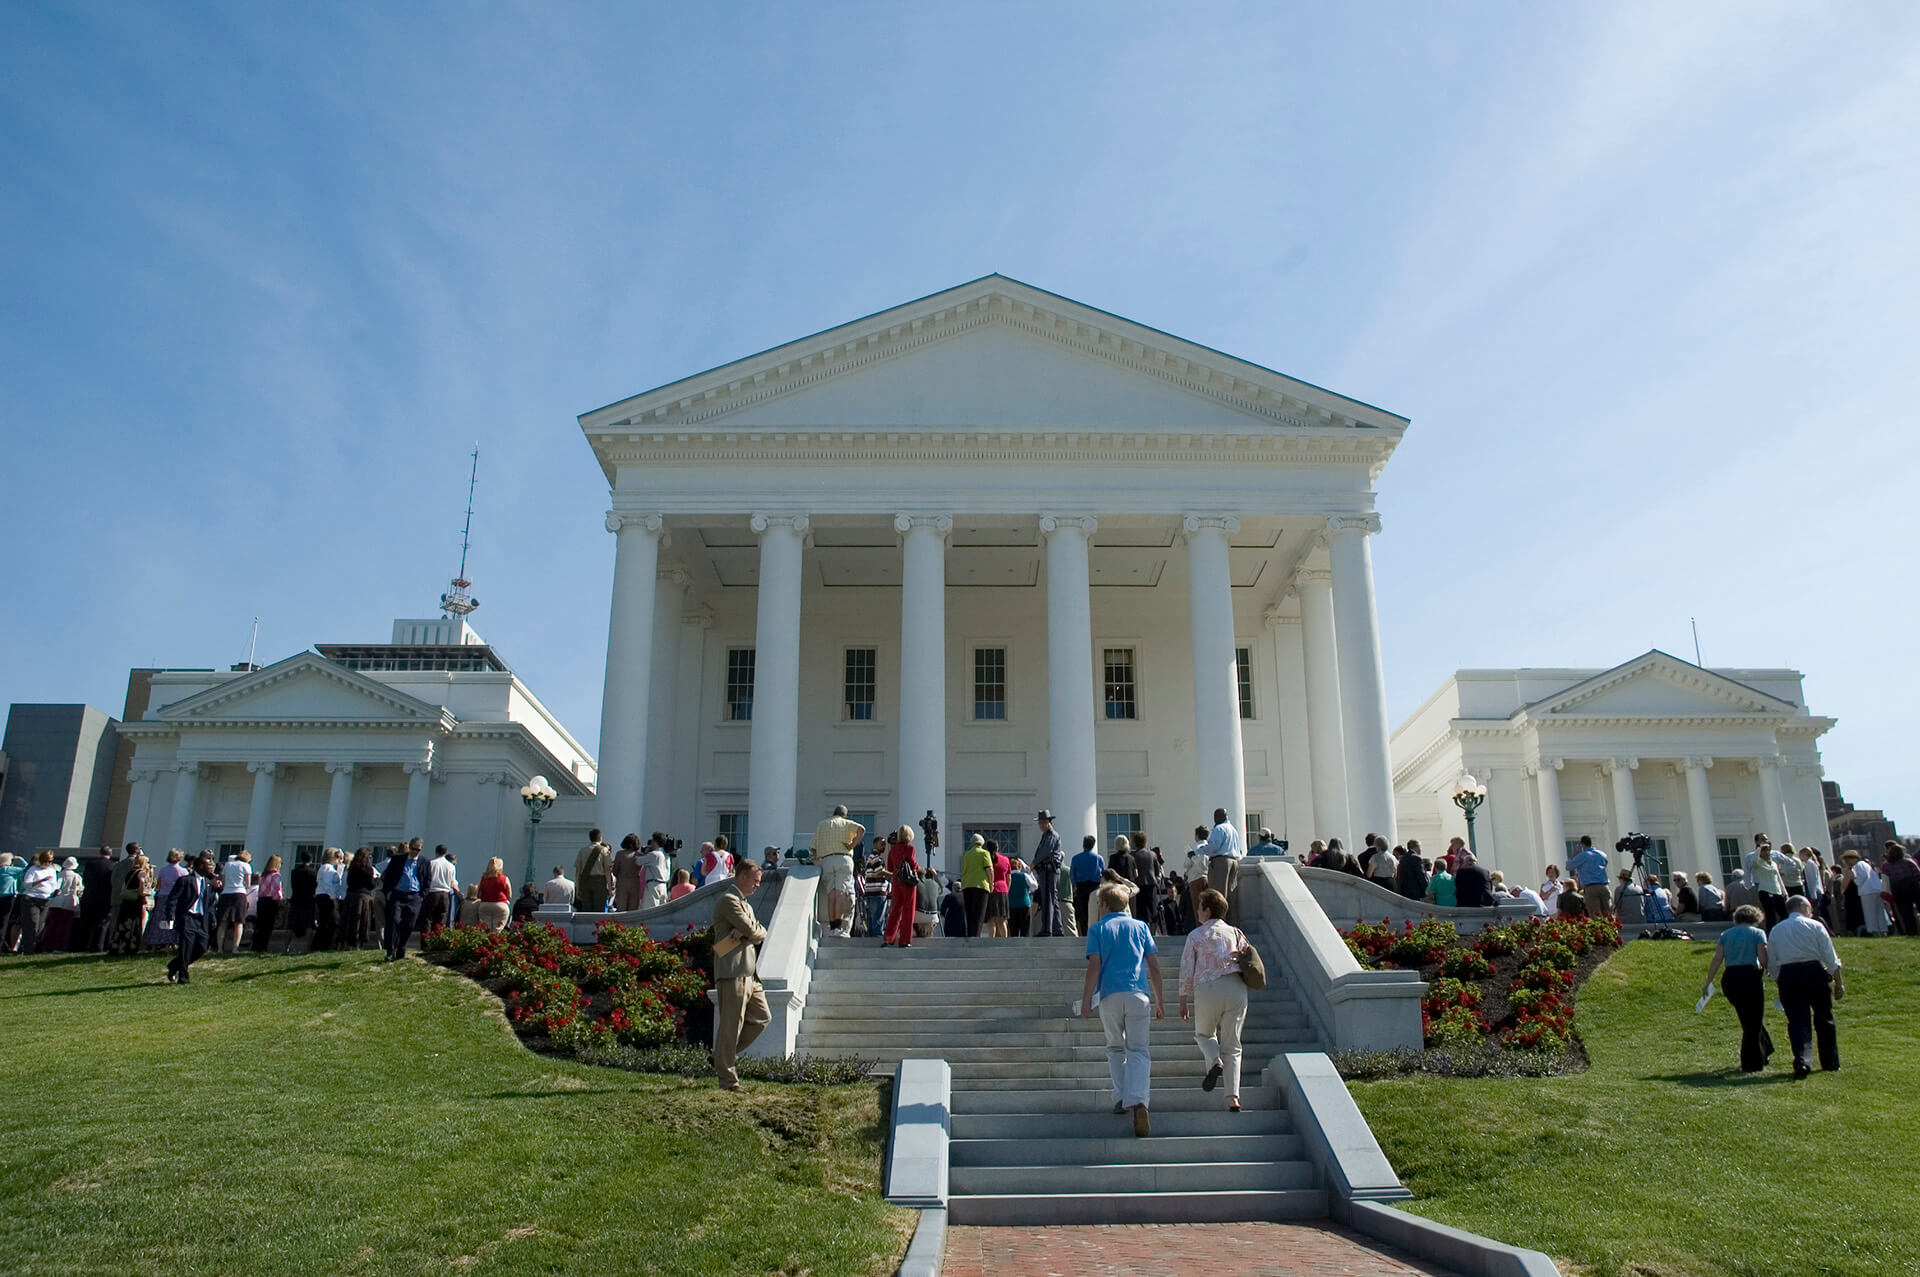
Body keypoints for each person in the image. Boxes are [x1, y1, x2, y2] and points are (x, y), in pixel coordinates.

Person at [1080, 882, 1165, 1137]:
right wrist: (1161, 1000)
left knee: (1115, 1047)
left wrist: (1086, 999)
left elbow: (1094, 966)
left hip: (1110, 995)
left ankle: (1120, 1096)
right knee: (1138, 1050)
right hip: (1139, 994)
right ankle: (1138, 1101)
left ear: (1103, 905)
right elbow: (1154, 966)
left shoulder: (1097, 930)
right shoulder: (1140, 927)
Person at [1179, 887, 1250, 1112]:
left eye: (1200, 907)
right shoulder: (1236, 933)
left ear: (1207, 910)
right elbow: (1248, 957)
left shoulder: (1196, 935)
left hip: (1208, 987)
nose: (1197, 911)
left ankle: (1214, 1060)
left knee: (1204, 1034)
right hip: (1236, 988)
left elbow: (1187, 968)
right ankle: (1233, 1098)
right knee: (1233, 1045)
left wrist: (1183, 998)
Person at [1767, 895, 1844, 1077]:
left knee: (1797, 1020)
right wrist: (1839, 983)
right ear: (1803, 907)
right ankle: (1830, 1061)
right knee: (1824, 1017)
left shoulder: (1777, 930)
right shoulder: (1815, 926)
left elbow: (1772, 962)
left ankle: (1802, 1061)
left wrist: (1780, 982)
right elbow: (1830, 957)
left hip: (1789, 974)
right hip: (1813, 971)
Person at [712, 859, 771, 1091]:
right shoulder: (729, 901)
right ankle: (727, 1079)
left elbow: (760, 932)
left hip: (749, 973)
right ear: (742, 876)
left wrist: (749, 932)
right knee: (731, 1025)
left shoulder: (745, 904)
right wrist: (749, 932)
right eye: (755, 881)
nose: (757, 886)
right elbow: (752, 930)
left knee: (762, 1017)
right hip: (732, 971)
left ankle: (720, 1057)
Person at [1701, 904, 1772, 1071]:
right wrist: (1769, 970)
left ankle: (1766, 1050)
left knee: (1748, 1018)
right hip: (1749, 976)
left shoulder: (1726, 934)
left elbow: (1717, 959)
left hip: (1730, 978)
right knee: (1752, 1022)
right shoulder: (1757, 933)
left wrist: (1708, 981)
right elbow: (1762, 958)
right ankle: (1752, 1063)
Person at [810, 805, 867, 936]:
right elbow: (861, 829)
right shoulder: (846, 823)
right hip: (844, 858)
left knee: (831, 894)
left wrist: (818, 856)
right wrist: (852, 844)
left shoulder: (822, 825)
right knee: (840, 893)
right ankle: (839, 927)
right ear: (844, 815)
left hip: (827, 860)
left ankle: (832, 927)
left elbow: (813, 847)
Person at [165, 853, 220, 984]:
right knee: (186, 948)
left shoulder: (208, 883)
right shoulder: (185, 880)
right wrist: (171, 915)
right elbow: (173, 899)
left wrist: (212, 917)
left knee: (202, 947)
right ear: (200, 866)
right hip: (187, 917)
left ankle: (175, 965)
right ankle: (183, 977)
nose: (212, 867)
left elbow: (210, 903)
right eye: (209, 865)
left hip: (202, 919)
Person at [381, 842, 425, 961]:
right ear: (409, 848)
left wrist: (422, 895)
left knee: (409, 924)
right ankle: (390, 950)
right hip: (398, 894)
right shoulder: (397, 860)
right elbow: (388, 876)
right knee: (394, 921)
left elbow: (427, 879)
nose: (416, 851)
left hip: (414, 896)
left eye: (418, 850)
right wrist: (388, 892)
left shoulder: (423, 862)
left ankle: (401, 948)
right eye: (414, 849)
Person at [105, 852, 154, 956]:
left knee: (122, 924)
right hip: (135, 901)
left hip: (126, 901)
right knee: (134, 924)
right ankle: (131, 946)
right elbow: (141, 889)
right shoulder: (141, 873)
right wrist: (146, 892)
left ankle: (118, 946)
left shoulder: (130, 872)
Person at [882, 826, 921, 948]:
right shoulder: (910, 848)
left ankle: (889, 938)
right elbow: (913, 864)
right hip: (907, 881)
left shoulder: (893, 850)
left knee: (895, 910)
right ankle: (904, 939)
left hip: (896, 880)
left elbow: (890, 868)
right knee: (908, 911)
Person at [13, 851, 60, 953]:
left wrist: (56, 890)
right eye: (45, 861)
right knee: (31, 924)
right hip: (31, 899)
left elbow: (54, 884)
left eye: (50, 862)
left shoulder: (52, 871)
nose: (47, 864)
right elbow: (26, 885)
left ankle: (31, 947)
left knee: (40, 926)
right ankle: (27, 949)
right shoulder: (33, 869)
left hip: (45, 899)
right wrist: (41, 881)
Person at [1203, 808, 1246, 918]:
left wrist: (1200, 850)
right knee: (1231, 895)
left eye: (1215, 817)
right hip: (1234, 861)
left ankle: (1220, 921)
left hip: (1221, 862)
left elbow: (1214, 847)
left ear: (1218, 817)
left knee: (1218, 895)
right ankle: (1232, 921)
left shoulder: (1219, 829)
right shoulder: (1233, 829)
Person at [1031, 810, 1064, 937]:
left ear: (1050, 822)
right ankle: (1057, 929)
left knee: (1048, 899)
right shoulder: (1046, 835)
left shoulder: (1052, 835)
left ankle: (1047, 929)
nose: (1042, 825)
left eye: (1044, 822)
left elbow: (1044, 852)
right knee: (1052, 900)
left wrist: (1033, 864)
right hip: (1047, 871)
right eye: (1040, 823)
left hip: (1049, 871)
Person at [217, 850, 254, 953]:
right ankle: (235, 948)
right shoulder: (246, 866)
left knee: (223, 922)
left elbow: (223, 881)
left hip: (226, 893)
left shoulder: (227, 865)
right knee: (238, 922)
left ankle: (220, 948)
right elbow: (248, 884)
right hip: (239, 893)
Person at [44, 855, 84, 951]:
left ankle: (48, 945)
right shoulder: (76, 876)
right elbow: (80, 889)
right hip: (69, 902)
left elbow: (55, 886)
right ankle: (60, 946)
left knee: (53, 925)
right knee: (65, 927)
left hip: (56, 902)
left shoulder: (59, 874)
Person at [78, 848, 114, 952]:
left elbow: (85, 879)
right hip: (105, 898)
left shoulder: (90, 864)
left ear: (100, 853)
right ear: (110, 854)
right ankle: (98, 945)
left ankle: (82, 945)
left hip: (89, 896)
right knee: (102, 923)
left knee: (86, 923)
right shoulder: (112, 865)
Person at [1747, 841, 1789, 930]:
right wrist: (1760, 847)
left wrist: (1784, 891)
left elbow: (1778, 878)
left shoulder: (1773, 863)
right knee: (1771, 916)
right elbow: (1755, 859)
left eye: (1768, 850)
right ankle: (1770, 934)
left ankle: (1781, 930)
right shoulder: (1758, 863)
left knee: (1784, 914)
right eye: (1764, 851)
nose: (1766, 852)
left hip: (1776, 890)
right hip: (1765, 891)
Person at [342, 847, 379, 948]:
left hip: (351, 896)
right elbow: (371, 885)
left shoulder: (352, 868)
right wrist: (376, 879)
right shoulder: (367, 869)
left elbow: (349, 882)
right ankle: (358, 943)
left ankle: (347, 944)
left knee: (350, 921)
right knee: (361, 921)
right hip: (363, 896)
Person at [1566, 836, 1611, 917]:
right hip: (1604, 886)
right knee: (1608, 914)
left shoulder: (1583, 856)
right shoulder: (1602, 854)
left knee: (1595, 915)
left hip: (1591, 888)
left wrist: (1574, 856)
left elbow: (1568, 866)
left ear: (1582, 845)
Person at [1070, 835, 1105, 937]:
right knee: (1095, 912)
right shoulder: (1099, 858)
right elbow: (1103, 873)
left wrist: (1075, 886)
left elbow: (1072, 875)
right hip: (1095, 887)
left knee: (1082, 913)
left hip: (1081, 887)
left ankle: (1085, 934)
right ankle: (1095, 934)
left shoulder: (1076, 858)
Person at [960, 833, 994, 939]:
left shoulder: (966, 855)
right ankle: (976, 935)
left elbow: (964, 870)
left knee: (970, 912)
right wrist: (991, 883)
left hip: (967, 885)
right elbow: (989, 869)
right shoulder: (984, 853)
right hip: (981, 885)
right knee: (979, 912)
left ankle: (970, 934)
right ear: (982, 843)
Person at [1882, 843, 1920, 936]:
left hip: (1898, 890)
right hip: (1912, 886)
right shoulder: (1908, 861)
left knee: (1906, 914)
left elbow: (1886, 880)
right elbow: (1918, 874)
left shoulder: (1888, 866)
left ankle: (1911, 932)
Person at [421, 845, 459, 932]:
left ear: (436, 852)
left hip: (432, 893)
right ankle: (437, 940)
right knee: (441, 921)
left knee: (428, 919)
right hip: (445, 894)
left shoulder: (431, 863)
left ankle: (426, 941)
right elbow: (453, 882)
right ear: (445, 853)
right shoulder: (451, 866)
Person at [251, 855, 285, 952]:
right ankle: (263, 947)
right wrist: (280, 900)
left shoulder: (263, 875)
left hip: (262, 900)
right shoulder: (276, 876)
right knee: (268, 926)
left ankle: (256, 946)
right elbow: (276, 889)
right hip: (271, 901)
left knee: (260, 925)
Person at [573, 830, 612, 914]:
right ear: (600, 837)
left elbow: (578, 871)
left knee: (586, 909)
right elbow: (607, 870)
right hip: (599, 881)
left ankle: (586, 926)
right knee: (599, 909)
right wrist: (609, 887)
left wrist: (578, 887)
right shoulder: (604, 850)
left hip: (585, 881)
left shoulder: (582, 851)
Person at [313, 848, 344, 951]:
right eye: (338, 857)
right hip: (325, 896)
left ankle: (322, 945)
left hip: (325, 895)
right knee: (331, 921)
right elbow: (327, 884)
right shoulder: (327, 868)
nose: (340, 860)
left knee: (327, 921)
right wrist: (332, 897)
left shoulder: (330, 868)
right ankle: (324, 945)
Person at [1851, 851, 1887, 936]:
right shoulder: (1866, 864)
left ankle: (1873, 931)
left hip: (1867, 891)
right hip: (1876, 889)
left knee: (1869, 913)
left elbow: (1861, 878)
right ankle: (1883, 930)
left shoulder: (1857, 866)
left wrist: (1854, 880)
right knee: (1879, 912)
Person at [288, 850, 318, 946]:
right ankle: (307, 945)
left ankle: (286, 946)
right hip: (309, 899)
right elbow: (315, 886)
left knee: (291, 924)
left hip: (296, 898)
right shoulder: (313, 872)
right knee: (309, 923)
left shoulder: (295, 872)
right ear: (311, 860)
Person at [476, 857, 512, 931]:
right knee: (497, 929)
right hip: (500, 905)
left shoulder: (483, 878)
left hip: (485, 905)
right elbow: (509, 895)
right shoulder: (504, 878)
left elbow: (478, 893)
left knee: (485, 929)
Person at [611, 834, 645, 912]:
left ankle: (620, 924)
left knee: (621, 908)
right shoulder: (639, 855)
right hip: (635, 882)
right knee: (633, 909)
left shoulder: (620, 854)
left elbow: (615, 871)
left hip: (622, 882)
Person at [987, 839, 1012, 938]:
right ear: (998, 848)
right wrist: (1007, 890)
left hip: (991, 889)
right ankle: (1004, 941)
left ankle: (991, 941)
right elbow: (1009, 878)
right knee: (1002, 920)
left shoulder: (987, 858)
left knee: (991, 919)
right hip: (1003, 889)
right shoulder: (1006, 859)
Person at [1007, 858, 1035, 938]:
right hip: (1024, 904)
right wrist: (1030, 873)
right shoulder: (1024, 876)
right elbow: (1035, 886)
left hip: (1011, 906)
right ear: (1019, 867)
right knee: (1025, 931)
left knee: (1013, 931)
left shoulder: (1008, 877)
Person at [641, 836, 671, 909]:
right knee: (661, 911)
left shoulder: (654, 854)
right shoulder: (667, 856)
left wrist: (644, 853)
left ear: (655, 842)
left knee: (649, 910)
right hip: (664, 885)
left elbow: (638, 861)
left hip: (653, 885)